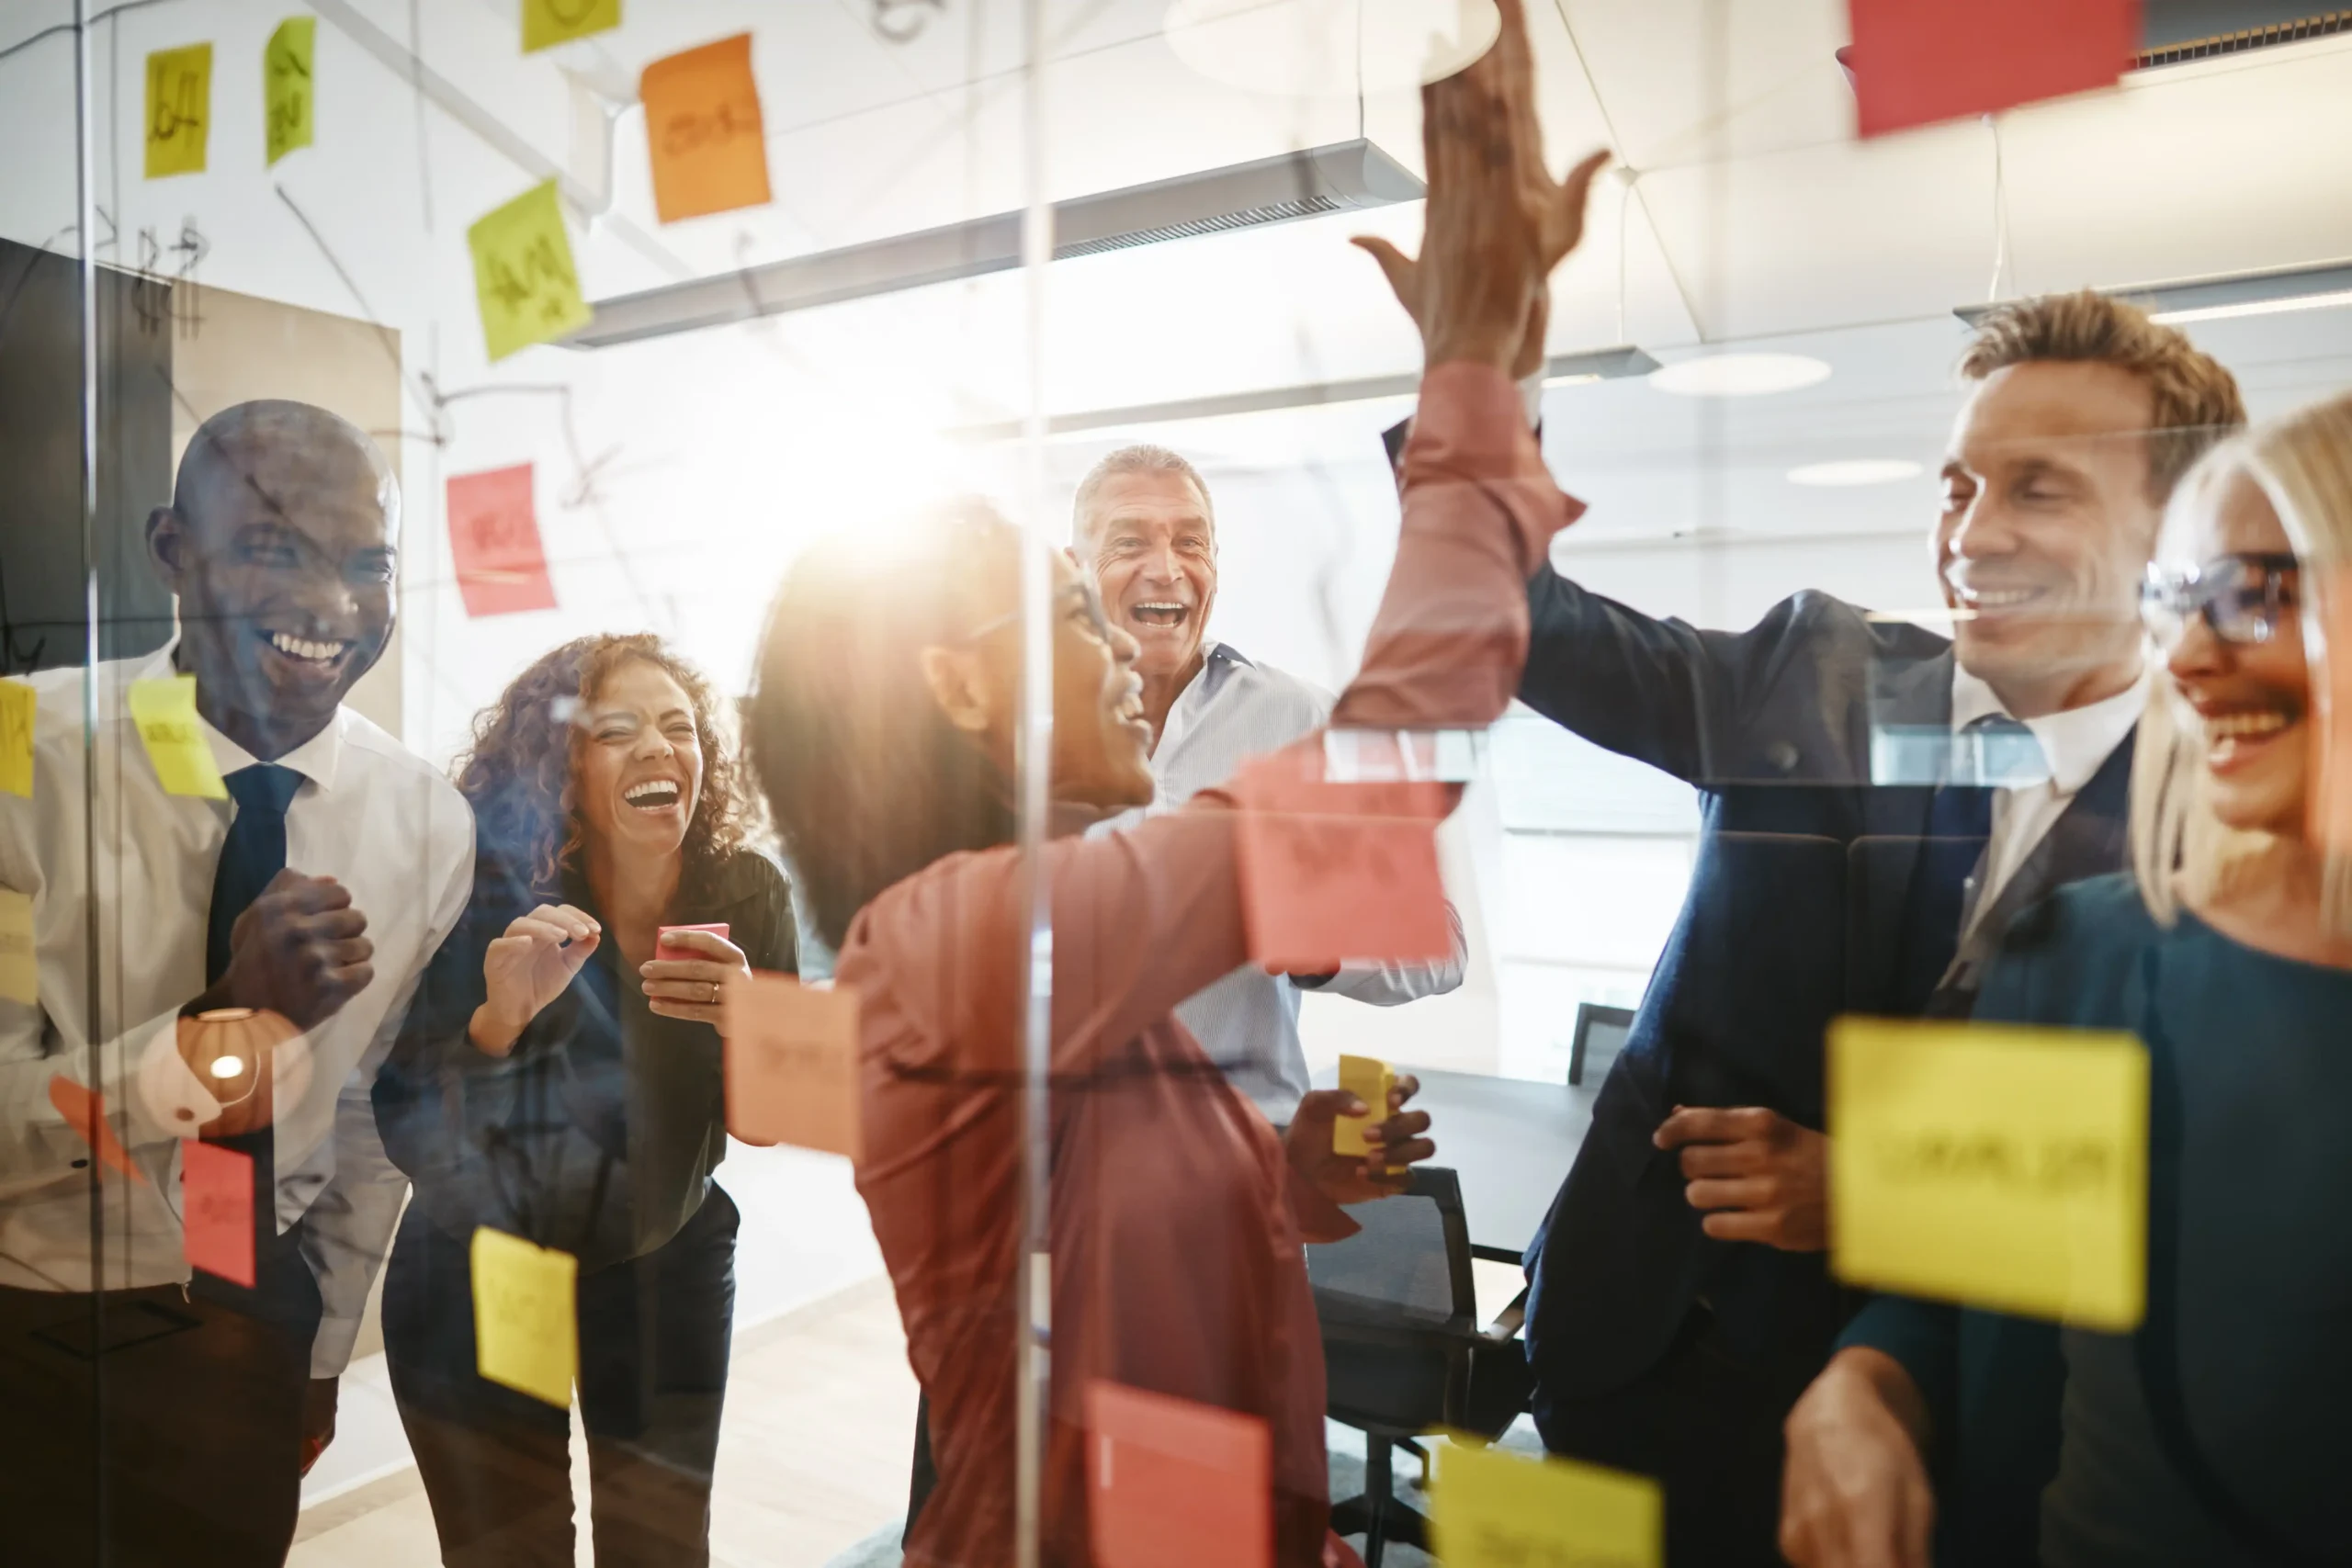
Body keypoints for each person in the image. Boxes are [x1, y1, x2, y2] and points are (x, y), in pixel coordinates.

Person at [743, 7, 1606, 1559]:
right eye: (1073, 607)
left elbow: (1099, 1223)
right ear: (954, 688)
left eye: (1179, 552)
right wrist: (1477, 363)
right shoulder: (969, 928)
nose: (1118, 637)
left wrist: (1272, 1173)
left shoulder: (1032, 929)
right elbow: (1416, 707)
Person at [1474, 295, 2245, 1563]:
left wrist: (1876, 1191)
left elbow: (2200, 1204)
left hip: (1935, 1445)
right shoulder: (1809, 673)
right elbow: (1513, 618)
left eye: (2039, 491)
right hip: (1630, 1346)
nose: (1973, 533)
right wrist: (1478, 339)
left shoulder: (2221, 824)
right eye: (1956, 486)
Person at [1781, 390, 2352, 1568]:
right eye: (2175, 603)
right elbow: (1960, 1294)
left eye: (2255, 596)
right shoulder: (2080, 955)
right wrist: (1860, 1390)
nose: (2188, 661)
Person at [0, 400, 474, 1564]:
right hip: (26, 1315)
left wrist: (314, 1351)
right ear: (172, 551)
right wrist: (214, 1027)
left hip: (246, 1322)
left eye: (370, 565)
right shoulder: (22, 754)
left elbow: (365, 1120)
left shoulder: (423, 819)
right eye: (276, 550)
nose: (332, 607)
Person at [371, 633, 795, 1568]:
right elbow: (407, 1125)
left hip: (663, 1263)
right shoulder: (493, 897)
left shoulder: (747, 892)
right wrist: (498, 1018)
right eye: (620, 730)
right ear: (560, 769)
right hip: (489, 1278)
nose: (658, 747)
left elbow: (764, 1124)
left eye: (679, 727)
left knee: (660, 1551)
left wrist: (752, 1027)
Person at [1074, 444, 1465, 1120]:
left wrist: (1325, 947)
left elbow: (1442, 945)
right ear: (1076, 568)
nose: (1166, 569)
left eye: (1191, 542)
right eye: (1129, 541)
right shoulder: (1018, 736)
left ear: (1215, 565)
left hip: (1252, 1166)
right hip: (1064, 1175)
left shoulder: (1312, 721)